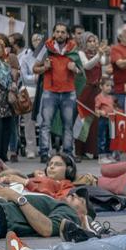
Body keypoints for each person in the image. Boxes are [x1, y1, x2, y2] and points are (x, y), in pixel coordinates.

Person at [0, 185, 86, 240]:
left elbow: (47, 228)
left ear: (83, 215)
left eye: (81, 200)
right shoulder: (55, 202)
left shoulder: (71, 213)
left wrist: (15, 196)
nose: (74, 195)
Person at [33, 24, 79, 162]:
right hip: (50, 92)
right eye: (57, 32)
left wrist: (75, 68)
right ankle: (44, 153)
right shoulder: (44, 47)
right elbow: (34, 69)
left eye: (63, 32)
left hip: (68, 92)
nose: (60, 34)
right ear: (53, 33)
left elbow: (81, 71)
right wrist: (44, 68)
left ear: (67, 35)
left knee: (68, 125)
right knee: (45, 124)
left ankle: (68, 154)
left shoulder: (73, 48)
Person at [93, 78, 115, 162]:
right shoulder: (99, 97)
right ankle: (101, 156)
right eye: (107, 85)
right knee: (102, 137)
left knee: (110, 137)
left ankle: (109, 154)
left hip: (111, 119)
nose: (109, 88)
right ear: (101, 86)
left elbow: (113, 107)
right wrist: (100, 112)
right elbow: (96, 109)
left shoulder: (111, 97)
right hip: (103, 120)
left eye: (111, 86)